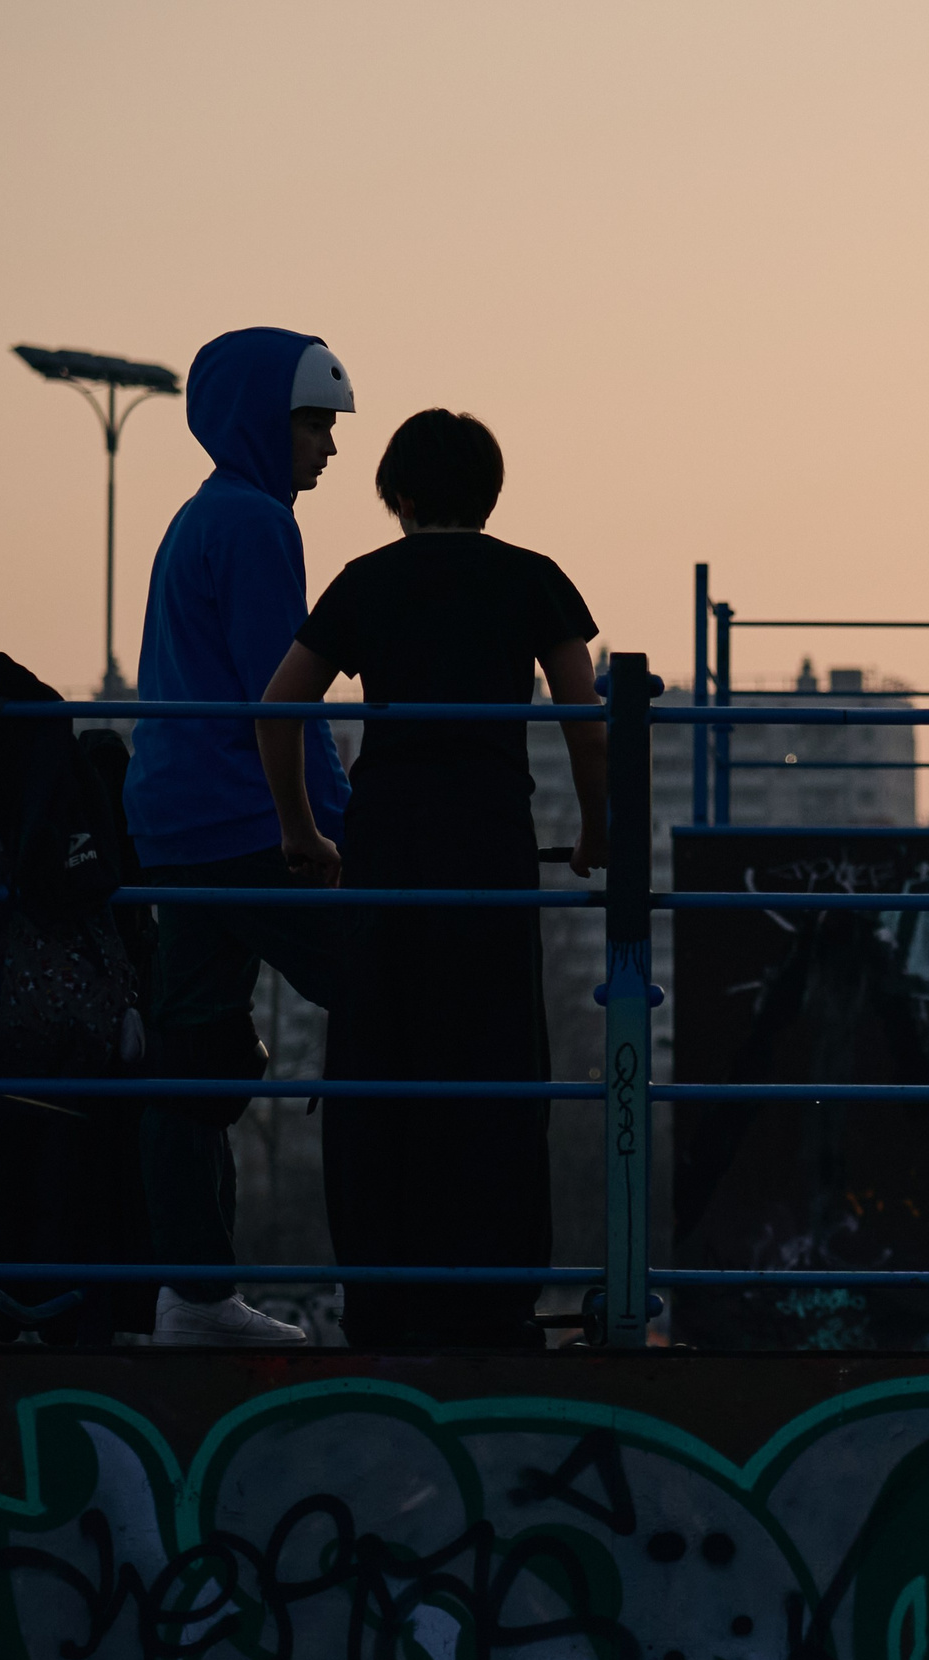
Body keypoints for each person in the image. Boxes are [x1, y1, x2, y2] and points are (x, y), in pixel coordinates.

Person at [256, 408, 606, 1348]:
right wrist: (598, 827)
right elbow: (586, 719)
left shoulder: (365, 581)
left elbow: (279, 708)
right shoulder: (532, 577)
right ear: (489, 493)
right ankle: (494, 1305)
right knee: (496, 1075)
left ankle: (382, 1301)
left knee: (380, 1074)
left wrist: (301, 831)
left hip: (387, 852)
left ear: (400, 496)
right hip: (489, 849)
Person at [124, 328, 358, 1346]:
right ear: (266, 421)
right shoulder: (260, 525)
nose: (329, 446)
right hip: (247, 821)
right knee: (390, 996)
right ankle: (401, 1270)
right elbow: (284, 700)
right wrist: (331, 826)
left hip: (172, 823)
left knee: (194, 1054)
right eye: (312, 424)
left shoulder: (197, 517)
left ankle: (195, 1294)